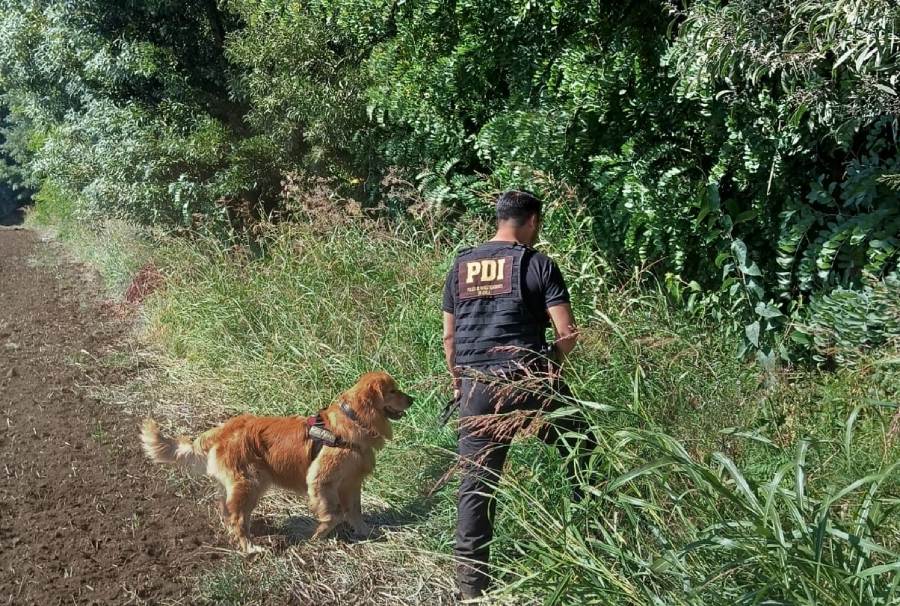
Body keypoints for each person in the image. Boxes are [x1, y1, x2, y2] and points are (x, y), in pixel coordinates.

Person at [441, 190, 579, 599]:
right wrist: (549, 366)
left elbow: (450, 339)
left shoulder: (461, 267)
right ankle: (591, 531)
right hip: (530, 381)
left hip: (476, 388)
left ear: (500, 218)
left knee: (477, 483)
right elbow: (568, 333)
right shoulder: (538, 264)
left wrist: (458, 381)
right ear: (533, 221)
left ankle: (471, 586)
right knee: (582, 448)